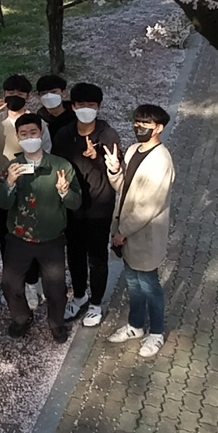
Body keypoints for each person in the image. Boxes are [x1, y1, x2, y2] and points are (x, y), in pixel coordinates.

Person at [0, 113, 81, 342]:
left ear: (41, 134)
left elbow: (76, 203)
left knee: (56, 288)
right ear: (17, 137)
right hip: (18, 238)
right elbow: (3, 204)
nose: (29, 137)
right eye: (23, 134)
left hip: (51, 239)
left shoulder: (60, 166)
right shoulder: (12, 167)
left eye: (33, 132)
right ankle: (21, 318)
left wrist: (64, 191)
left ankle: (57, 323)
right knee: (11, 284)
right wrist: (9, 183)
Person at [104, 103, 176, 358]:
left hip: (144, 236)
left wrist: (122, 231)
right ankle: (135, 325)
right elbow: (124, 188)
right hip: (126, 232)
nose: (140, 127)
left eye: (146, 123)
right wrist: (115, 170)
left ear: (159, 128)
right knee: (133, 282)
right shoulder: (134, 150)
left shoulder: (161, 161)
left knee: (149, 285)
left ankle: (156, 332)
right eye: (137, 122)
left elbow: (149, 206)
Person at [55, 82, 122, 328]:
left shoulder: (108, 135)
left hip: (99, 206)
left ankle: (95, 303)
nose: (86, 109)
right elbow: (57, 166)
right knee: (74, 254)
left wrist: (98, 159)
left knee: (97, 257)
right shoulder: (64, 135)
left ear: (99, 107)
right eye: (81, 104)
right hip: (73, 206)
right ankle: (80, 296)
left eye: (91, 105)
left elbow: (116, 169)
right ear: (73, 107)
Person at [0, 75, 53, 309]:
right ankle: (14, 284)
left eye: (20, 93)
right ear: (3, 94)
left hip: (30, 190)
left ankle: (33, 282)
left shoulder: (36, 122)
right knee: (7, 238)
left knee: (29, 237)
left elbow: (46, 154)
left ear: (28, 96)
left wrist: (22, 170)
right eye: (10, 92)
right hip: (0, 188)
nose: (15, 96)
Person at [35, 73, 75, 141]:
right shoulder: (40, 117)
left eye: (53, 92)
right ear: (39, 96)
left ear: (63, 93)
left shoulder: (74, 114)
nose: (49, 96)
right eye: (44, 93)